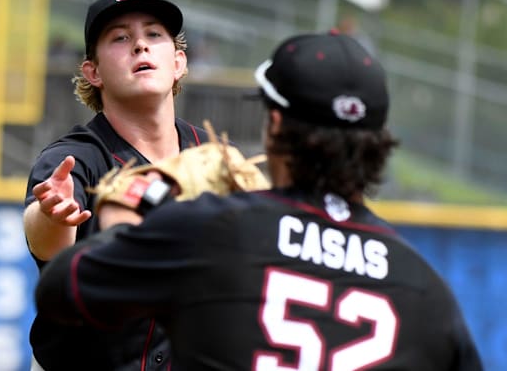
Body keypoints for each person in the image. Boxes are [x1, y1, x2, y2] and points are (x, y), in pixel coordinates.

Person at [34, 32, 484, 370]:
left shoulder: (212, 229)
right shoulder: (426, 290)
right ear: (380, 142)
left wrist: (124, 213)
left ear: (274, 124)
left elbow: (62, 290)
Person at [23, 0, 209, 370]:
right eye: (121, 37)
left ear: (178, 62)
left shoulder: (212, 158)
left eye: (154, 34)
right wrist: (53, 215)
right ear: (92, 72)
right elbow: (49, 246)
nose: (140, 45)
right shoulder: (74, 159)